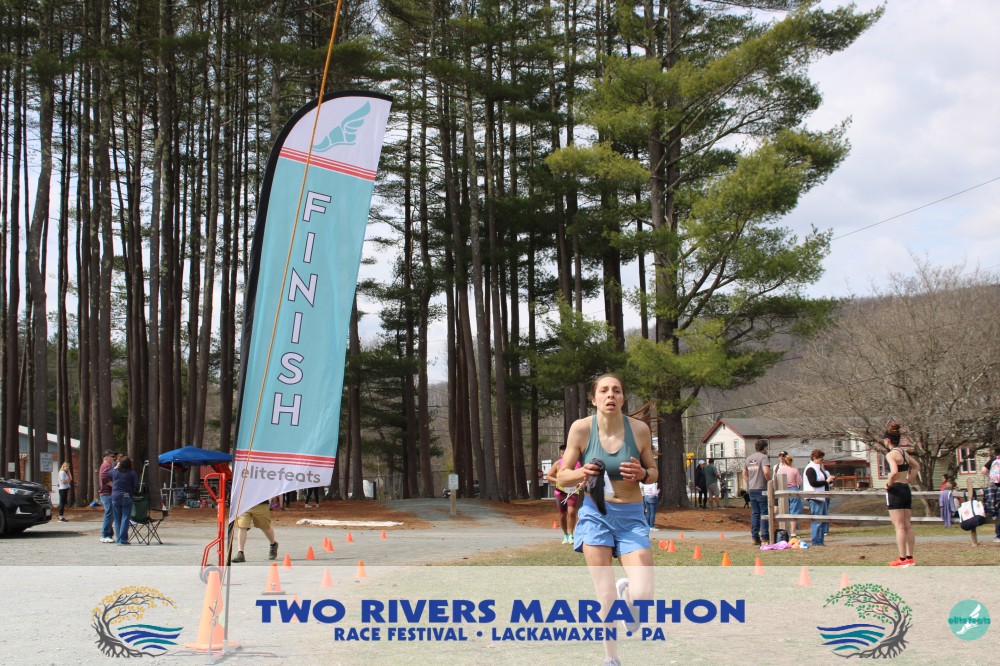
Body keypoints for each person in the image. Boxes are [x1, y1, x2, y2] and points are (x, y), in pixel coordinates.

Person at [558, 374, 656, 666]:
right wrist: (582, 472)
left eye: (616, 390)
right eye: (604, 390)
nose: (610, 395)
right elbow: (562, 477)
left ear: (623, 398)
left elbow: (653, 472)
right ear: (594, 398)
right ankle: (611, 658)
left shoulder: (639, 430)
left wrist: (643, 474)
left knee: (644, 592)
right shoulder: (581, 429)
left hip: (631, 516)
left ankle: (631, 601)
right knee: (605, 594)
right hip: (595, 514)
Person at [884, 423, 919, 566]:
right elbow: (916, 466)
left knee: (899, 526)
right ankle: (910, 557)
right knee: (907, 525)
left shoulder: (891, 454)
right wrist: (910, 479)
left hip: (896, 490)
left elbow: (893, 472)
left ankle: (902, 558)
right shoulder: (904, 453)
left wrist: (889, 484)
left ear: (887, 440)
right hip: (905, 488)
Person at [545, 444, 582, 544]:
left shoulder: (577, 463)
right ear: (560, 454)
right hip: (560, 492)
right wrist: (558, 480)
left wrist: (580, 483)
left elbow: (581, 476)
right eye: (562, 453)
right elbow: (548, 476)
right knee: (562, 514)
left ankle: (571, 534)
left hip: (573, 491)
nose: (564, 455)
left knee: (572, 512)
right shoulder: (558, 464)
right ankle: (565, 535)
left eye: (566, 453)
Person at [804, 448, 836, 546]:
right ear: (815, 458)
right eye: (821, 458)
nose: (822, 460)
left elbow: (823, 482)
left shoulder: (819, 468)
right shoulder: (810, 468)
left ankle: (820, 541)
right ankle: (816, 542)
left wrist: (829, 482)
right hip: (814, 497)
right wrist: (826, 481)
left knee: (822, 521)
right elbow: (813, 483)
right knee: (817, 521)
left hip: (821, 497)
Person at [742, 439, 771, 545]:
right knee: (764, 514)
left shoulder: (748, 458)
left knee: (755, 513)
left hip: (752, 489)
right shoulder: (764, 457)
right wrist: (770, 482)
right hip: (762, 488)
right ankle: (765, 538)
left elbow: (744, 474)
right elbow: (766, 472)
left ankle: (755, 537)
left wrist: (749, 483)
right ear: (764, 448)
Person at [109, 457, 140, 546]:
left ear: (120, 464)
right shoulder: (132, 473)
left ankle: (119, 539)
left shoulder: (115, 472)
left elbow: (108, 473)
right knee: (125, 518)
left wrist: (115, 467)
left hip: (115, 496)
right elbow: (136, 486)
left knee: (117, 519)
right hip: (127, 496)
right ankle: (123, 539)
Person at [775, 451, 803, 538]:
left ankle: (783, 532)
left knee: (783, 511)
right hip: (793, 490)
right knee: (793, 512)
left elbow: (776, 480)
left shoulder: (780, 469)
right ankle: (793, 532)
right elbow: (799, 482)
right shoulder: (795, 470)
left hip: (783, 491)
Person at [98, 450, 117, 543]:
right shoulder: (106, 465)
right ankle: (104, 535)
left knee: (111, 514)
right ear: (106, 457)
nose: (113, 458)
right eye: (112, 456)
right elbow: (104, 476)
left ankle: (108, 534)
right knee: (109, 513)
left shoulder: (108, 465)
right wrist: (113, 485)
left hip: (107, 493)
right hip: (106, 493)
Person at [983, 446, 1000, 543]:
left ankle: (998, 535)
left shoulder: (994, 459)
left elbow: (983, 470)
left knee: (998, 511)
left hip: (995, 488)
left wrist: (991, 477)